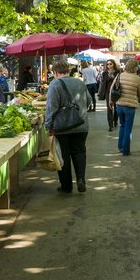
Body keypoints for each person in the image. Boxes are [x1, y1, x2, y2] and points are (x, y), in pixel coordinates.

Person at [45, 60, 92, 194]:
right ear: (68, 70)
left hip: (62, 127)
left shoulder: (55, 84)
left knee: (63, 155)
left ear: (55, 72)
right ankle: (81, 180)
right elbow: (88, 101)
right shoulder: (79, 82)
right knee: (79, 152)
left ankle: (66, 186)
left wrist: (48, 126)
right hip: (81, 124)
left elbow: (51, 108)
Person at [109, 58, 140, 156]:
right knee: (128, 128)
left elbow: (112, 88)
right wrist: (139, 100)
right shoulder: (137, 78)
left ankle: (120, 147)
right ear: (135, 67)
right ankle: (126, 150)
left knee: (122, 126)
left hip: (119, 105)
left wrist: (111, 101)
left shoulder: (120, 75)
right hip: (130, 107)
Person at [99, 59, 119, 131]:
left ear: (113, 64)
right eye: (107, 64)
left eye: (110, 64)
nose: (109, 65)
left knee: (116, 108)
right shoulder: (104, 73)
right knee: (109, 108)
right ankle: (110, 125)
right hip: (108, 92)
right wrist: (101, 93)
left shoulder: (118, 72)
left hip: (116, 92)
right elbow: (102, 83)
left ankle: (115, 120)